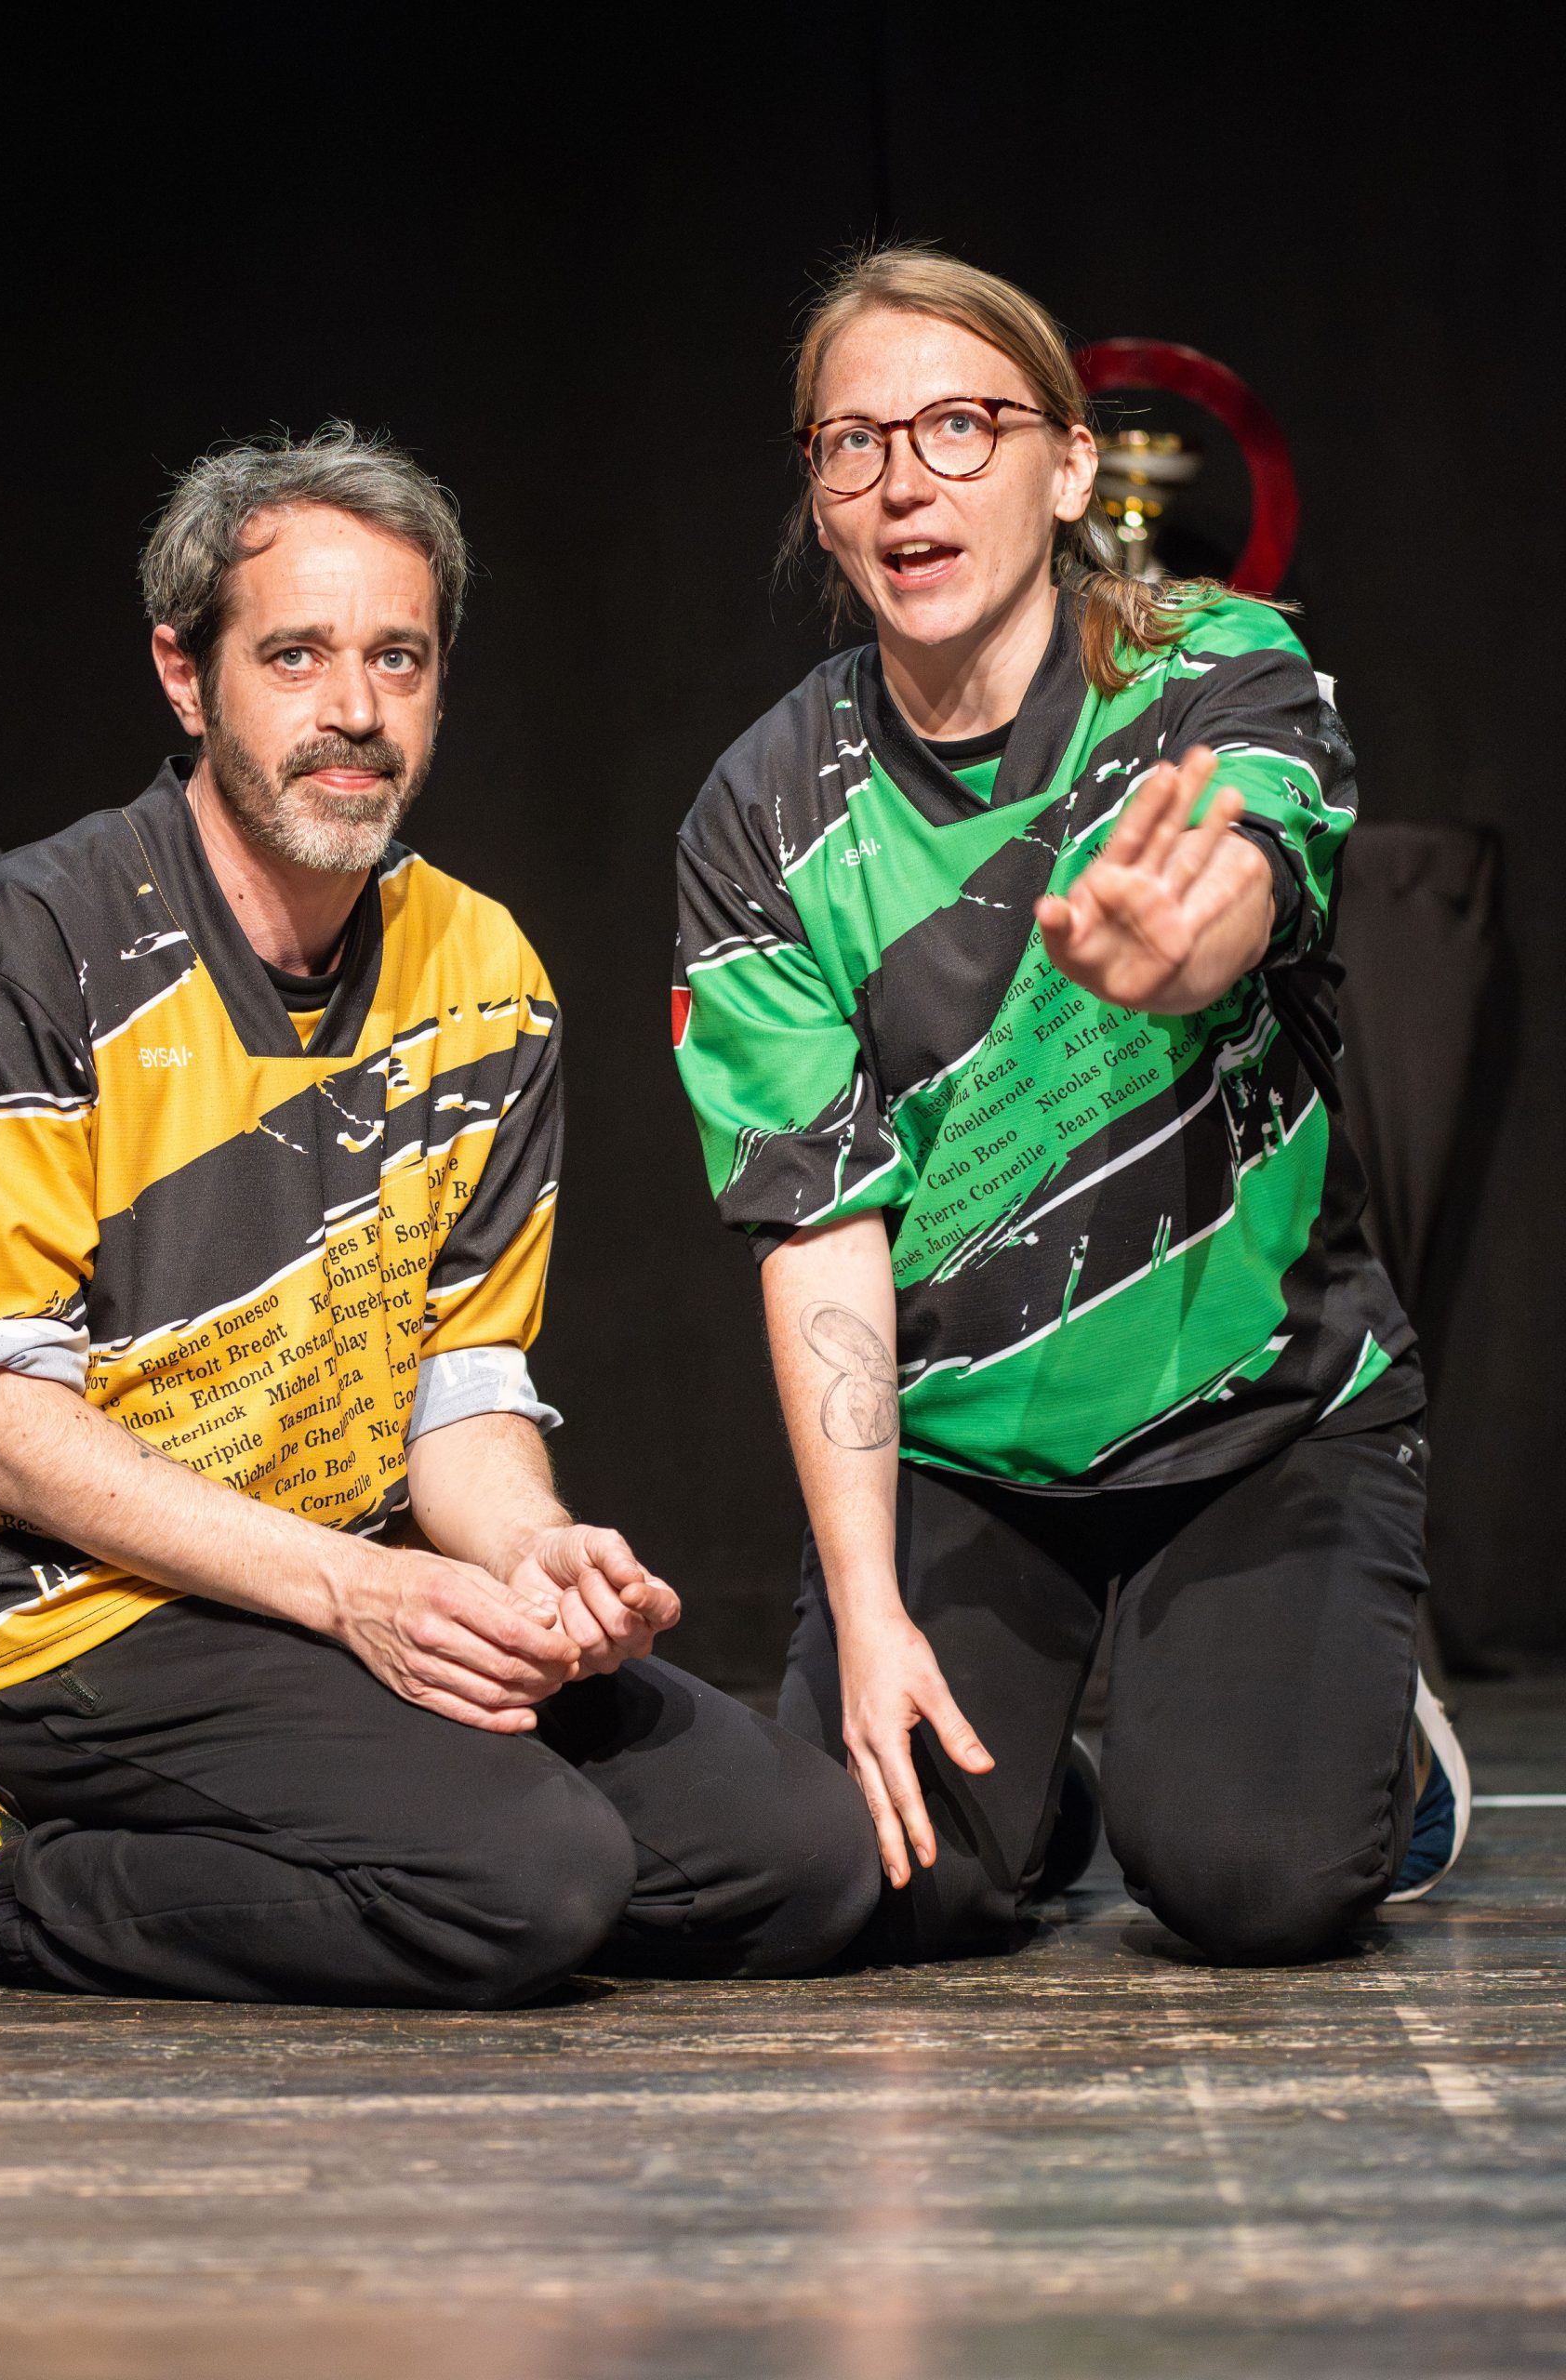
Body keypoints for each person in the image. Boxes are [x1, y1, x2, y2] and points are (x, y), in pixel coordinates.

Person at [0, 426, 879, 2005]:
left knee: (805, 1861)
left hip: (340, 1585)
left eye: (397, 659)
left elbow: (461, 1394)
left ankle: (370, 1854)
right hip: (65, 1613)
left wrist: (537, 1555)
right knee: (531, 1882)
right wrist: (354, 1593)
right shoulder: (12, 954)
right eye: (295, 656)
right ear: (186, 675)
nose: (354, 709)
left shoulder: (482, 967)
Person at [671, 248, 1468, 1968]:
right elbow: (816, 1228)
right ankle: (1044, 1796)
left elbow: (1251, 868)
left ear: (1070, 465)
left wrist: (1186, 947)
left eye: (961, 426)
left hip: (1260, 1418)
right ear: (819, 497)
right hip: (969, 1452)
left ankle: (1378, 1755)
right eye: (855, 442)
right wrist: (868, 1608)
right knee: (882, 1880)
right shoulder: (762, 812)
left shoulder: (1219, 665)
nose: (906, 481)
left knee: (1250, 1884)